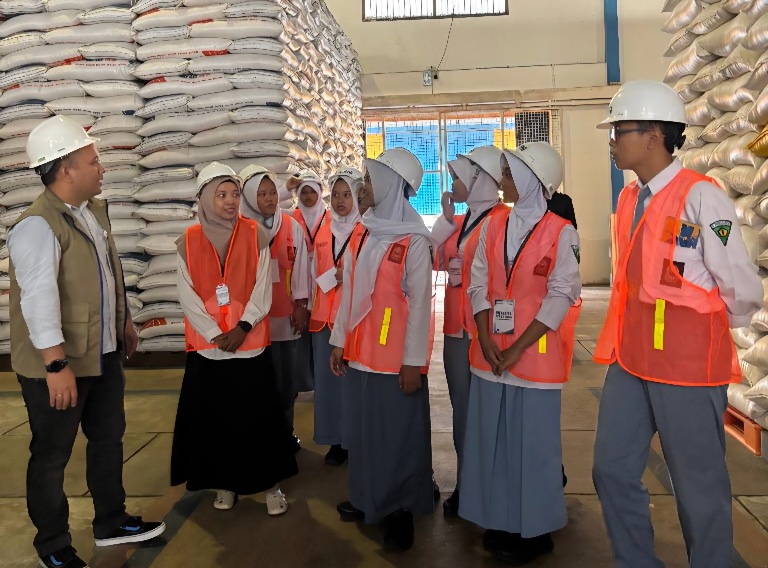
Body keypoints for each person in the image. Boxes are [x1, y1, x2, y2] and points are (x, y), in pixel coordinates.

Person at [591, 80, 764, 568]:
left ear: (654, 136)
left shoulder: (701, 197)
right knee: (610, 469)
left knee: (698, 488)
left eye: (620, 131)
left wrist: (712, 330)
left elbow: (739, 283)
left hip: (686, 367)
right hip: (631, 359)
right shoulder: (630, 198)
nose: (612, 141)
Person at [8, 115, 165, 568]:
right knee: (52, 455)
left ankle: (110, 521)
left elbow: (107, 274)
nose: (102, 168)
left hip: (103, 352)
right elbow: (38, 300)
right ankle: (53, 545)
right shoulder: (37, 226)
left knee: (108, 439)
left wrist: (124, 322)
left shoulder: (93, 212)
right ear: (65, 169)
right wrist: (56, 366)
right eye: (93, 161)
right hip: (59, 366)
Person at [462, 142, 582, 565]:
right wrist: (485, 334)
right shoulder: (494, 226)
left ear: (535, 179)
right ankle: (500, 519)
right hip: (491, 354)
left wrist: (518, 347)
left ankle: (535, 531)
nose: (504, 181)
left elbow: (562, 294)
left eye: (511, 173)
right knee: (493, 441)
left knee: (533, 447)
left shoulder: (561, 232)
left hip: (534, 357)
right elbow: (478, 282)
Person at [170, 162, 297, 514]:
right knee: (217, 421)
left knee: (259, 421)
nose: (229, 201)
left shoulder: (255, 234)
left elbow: (263, 286)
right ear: (204, 199)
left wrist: (243, 326)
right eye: (221, 195)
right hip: (208, 350)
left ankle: (270, 486)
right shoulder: (187, 242)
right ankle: (224, 483)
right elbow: (187, 295)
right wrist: (214, 333)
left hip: (249, 345)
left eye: (234, 194)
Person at [329, 148, 435, 551]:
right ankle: (367, 498)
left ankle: (400, 511)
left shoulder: (414, 240)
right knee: (366, 434)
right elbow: (350, 292)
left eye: (370, 180)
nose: (363, 188)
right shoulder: (364, 231)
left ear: (391, 184)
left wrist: (413, 363)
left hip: (394, 364)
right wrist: (340, 340)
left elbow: (421, 306)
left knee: (398, 439)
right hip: (362, 355)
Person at [429, 145, 508, 517]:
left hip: (486, 331)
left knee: (491, 410)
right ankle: (466, 483)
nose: (453, 186)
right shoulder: (459, 223)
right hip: (456, 330)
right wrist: (445, 221)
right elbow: (431, 258)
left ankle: (492, 483)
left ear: (479, 180)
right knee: (461, 409)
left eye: (458, 178)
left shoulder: (504, 219)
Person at [239, 165, 310, 450]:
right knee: (257, 381)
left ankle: (285, 434)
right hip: (251, 322)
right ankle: (259, 438)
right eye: (262, 194)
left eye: (272, 192)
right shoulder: (240, 229)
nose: (269, 199)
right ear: (249, 198)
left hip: (284, 317)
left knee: (285, 382)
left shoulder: (291, 226)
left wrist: (302, 304)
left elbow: (302, 267)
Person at [309, 167, 363, 466]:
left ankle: (354, 438)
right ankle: (334, 440)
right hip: (323, 319)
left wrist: (351, 275)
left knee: (351, 382)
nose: (340, 201)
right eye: (336, 195)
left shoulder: (365, 230)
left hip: (353, 319)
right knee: (328, 384)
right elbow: (312, 271)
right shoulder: (324, 229)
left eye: (347, 194)